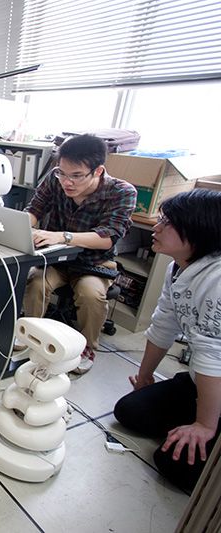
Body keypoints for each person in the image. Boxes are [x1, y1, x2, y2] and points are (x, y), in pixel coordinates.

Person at [114, 189, 221, 493]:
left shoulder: (216, 281)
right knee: (129, 411)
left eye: (167, 223)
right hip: (201, 381)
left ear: (198, 232)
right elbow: (163, 324)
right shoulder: (178, 267)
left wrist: (205, 425)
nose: (156, 228)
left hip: (214, 377)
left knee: (172, 464)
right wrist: (144, 377)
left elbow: (212, 355)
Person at [22, 134, 137, 374]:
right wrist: (21, 227)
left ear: (98, 171)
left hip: (93, 263)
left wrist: (62, 236)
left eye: (76, 175)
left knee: (90, 294)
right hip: (56, 260)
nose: (67, 182)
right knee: (36, 283)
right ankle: (32, 336)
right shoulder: (55, 179)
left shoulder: (122, 192)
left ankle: (87, 349)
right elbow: (35, 209)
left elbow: (107, 238)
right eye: (62, 173)